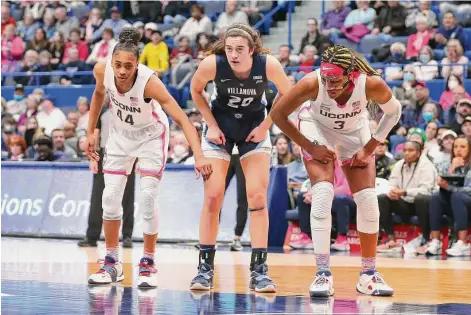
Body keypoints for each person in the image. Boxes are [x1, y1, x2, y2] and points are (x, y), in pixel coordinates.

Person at [84, 27, 213, 288]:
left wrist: (198, 155)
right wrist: (90, 131)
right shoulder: (102, 70)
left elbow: (182, 119)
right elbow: (98, 94)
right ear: (111, 61)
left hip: (151, 137)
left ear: (137, 64)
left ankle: (148, 263)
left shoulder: (150, 82)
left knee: (147, 199)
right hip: (120, 136)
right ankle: (111, 263)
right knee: (109, 198)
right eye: (118, 65)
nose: (122, 71)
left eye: (128, 66)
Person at [271, 45, 401, 297]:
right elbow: (277, 114)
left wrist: (370, 147)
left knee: (368, 201)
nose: (329, 86)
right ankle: (322, 274)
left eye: (335, 80)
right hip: (315, 128)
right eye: (325, 79)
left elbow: (394, 112)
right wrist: (309, 145)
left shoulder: (371, 84)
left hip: (354, 130)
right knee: (322, 196)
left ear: (351, 75)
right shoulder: (311, 83)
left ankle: (368, 274)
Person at [189, 23, 290, 293]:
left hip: (253, 130)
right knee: (213, 196)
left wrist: (266, 125)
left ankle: (260, 271)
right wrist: (209, 124)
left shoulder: (268, 65)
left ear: (252, 50)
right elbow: (195, 91)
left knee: (257, 197)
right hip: (219, 129)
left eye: (240, 50)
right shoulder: (212, 64)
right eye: (230, 49)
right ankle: (204, 269)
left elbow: (288, 94)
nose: (234, 55)